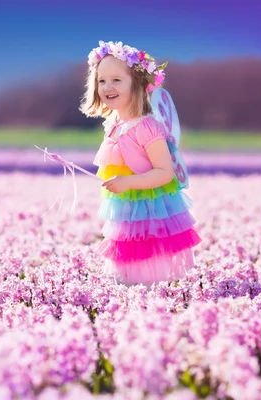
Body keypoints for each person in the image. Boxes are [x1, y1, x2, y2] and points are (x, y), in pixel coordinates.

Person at [80, 40, 202, 286]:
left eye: (116, 80)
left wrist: (128, 182)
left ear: (137, 85)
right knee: (124, 262)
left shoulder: (146, 126)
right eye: (102, 80)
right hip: (126, 209)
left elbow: (164, 173)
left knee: (146, 269)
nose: (107, 86)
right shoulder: (114, 124)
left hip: (149, 212)